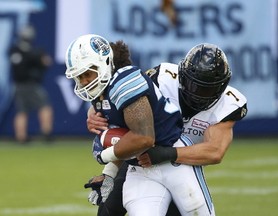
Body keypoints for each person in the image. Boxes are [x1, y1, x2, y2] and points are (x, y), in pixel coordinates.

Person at [85, 43, 248, 215]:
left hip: (182, 167)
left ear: (221, 87)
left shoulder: (229, 104)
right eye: (194, 85)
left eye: (207, 89)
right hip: (143, 160)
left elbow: (215, 151)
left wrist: (168, 153)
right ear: (182, 75)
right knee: (109, 208)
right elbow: (129, 126)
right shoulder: (162, 79)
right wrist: (96, 113)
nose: (198, 93)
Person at [65, 34, 215, 216]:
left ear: (104, 64)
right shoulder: (101, 96)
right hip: (141, 168)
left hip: (173, 159)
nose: (84, 82)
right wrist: (109, 173)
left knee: (197, 212)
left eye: (87, 74)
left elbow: (144, 137)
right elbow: (124, 136)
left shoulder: (125, 82)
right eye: (79, 77)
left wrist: (103, 155)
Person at [9, 25, 53, 143]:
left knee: (21, 111)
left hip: (18, 85)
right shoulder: (32, 52)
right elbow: (45, 62)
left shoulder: (14, 50)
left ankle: (21, 137)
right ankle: (46, 133)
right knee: (44, 106)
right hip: (30, 84)